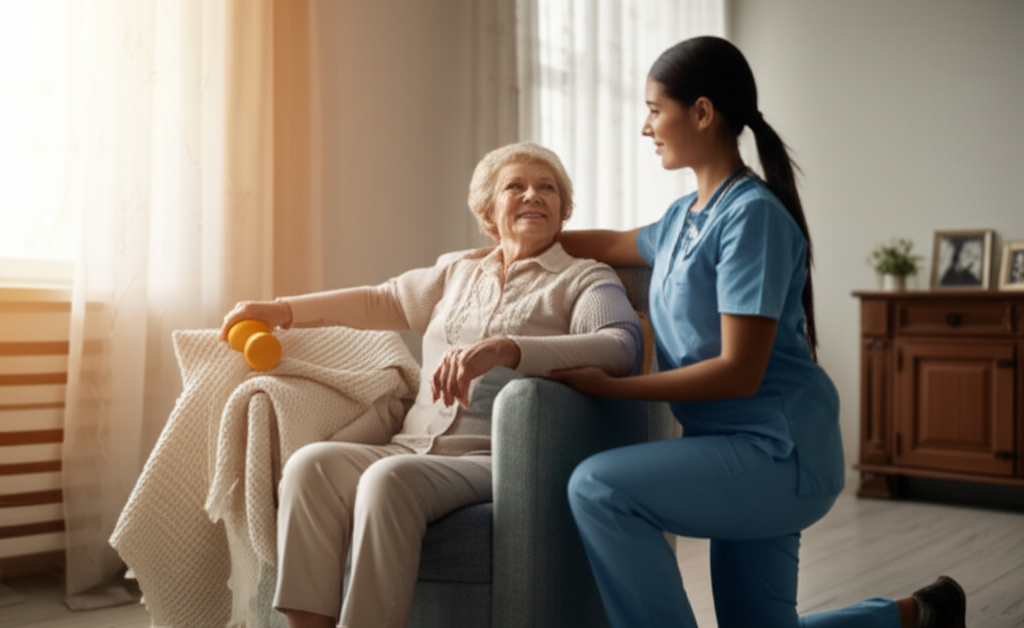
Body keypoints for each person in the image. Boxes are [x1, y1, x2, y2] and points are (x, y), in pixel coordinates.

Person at [549, 36, 967, 628]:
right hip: (735, 451)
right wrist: (503, 247)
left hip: (778, 453)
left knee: (598, 488)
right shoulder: (680, 217)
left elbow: (739, 372)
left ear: (701, 112)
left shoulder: (752, 217)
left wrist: (606, 387)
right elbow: (612, 243)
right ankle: (919, 615)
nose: (646, 127)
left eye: (653, 108)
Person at [218, 141, 642, 628]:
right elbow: (378, 301)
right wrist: (281, 311)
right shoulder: (456, 272)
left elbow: (620, 346)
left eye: (547, 188)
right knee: (309, 466)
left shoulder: (585, 279)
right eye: (516, 186)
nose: (533, 195)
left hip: (491, 458)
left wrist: (509, 348)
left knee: (387, 481)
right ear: (487, 213)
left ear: (563, 212)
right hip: (410, 446)